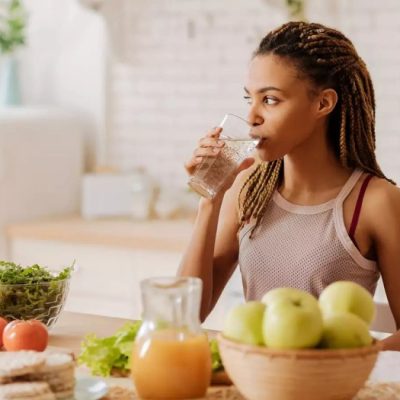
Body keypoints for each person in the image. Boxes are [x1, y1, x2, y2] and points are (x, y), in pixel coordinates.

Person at [179, 21, 400, 350]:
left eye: (270, 100)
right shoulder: (247, 189)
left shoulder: (376, 202)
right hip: (257, 384)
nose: (252, 115)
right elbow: (184, 316)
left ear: (323, 104)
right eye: (248, 98)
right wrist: (210, 198)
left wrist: (346, 362)